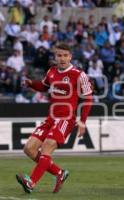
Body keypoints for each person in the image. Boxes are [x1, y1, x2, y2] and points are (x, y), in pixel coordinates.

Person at [16, 43, 93, 193]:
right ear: (55, 57)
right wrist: (31, 83)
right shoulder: (51, 71)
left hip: (66, 118)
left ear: (70, 56)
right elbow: (44, 86)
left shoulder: (79, 74)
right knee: (29, 149)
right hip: (51, 117)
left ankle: (31, 182)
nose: (62, 58)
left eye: (65, 55)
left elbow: (88, 98)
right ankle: (59, 173)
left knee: (46, 147)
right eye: (59, 55)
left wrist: (82, 121)